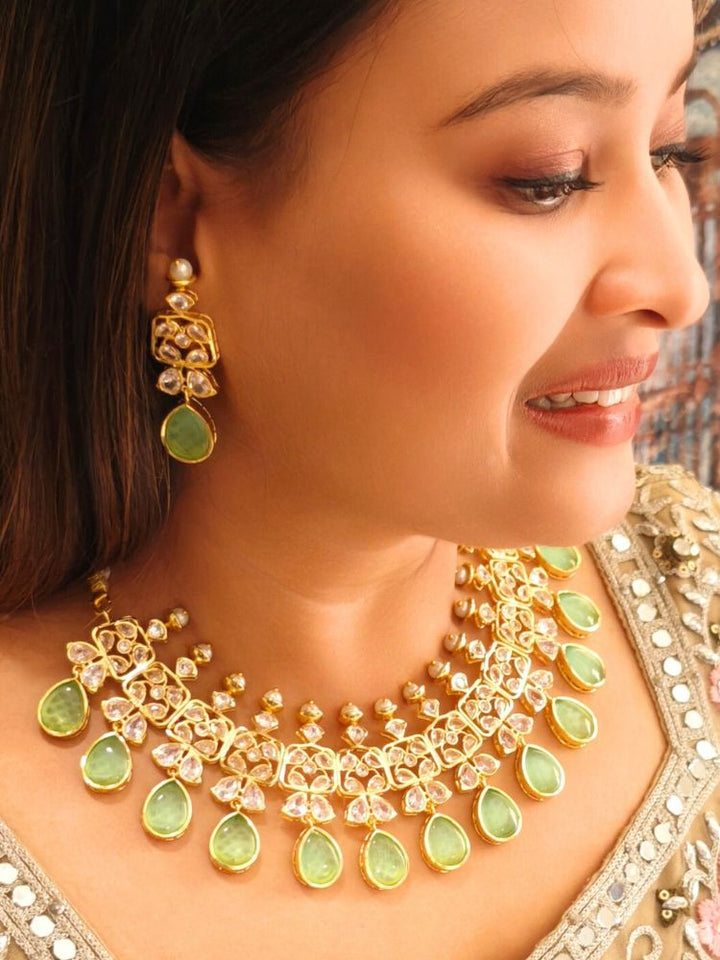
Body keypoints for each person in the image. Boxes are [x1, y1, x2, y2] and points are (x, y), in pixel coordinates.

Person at [1, 0, 719, 957]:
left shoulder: (699, 602)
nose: (680, 284)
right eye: (545, 180)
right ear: (166, 215)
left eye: (670, 149)